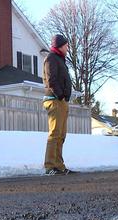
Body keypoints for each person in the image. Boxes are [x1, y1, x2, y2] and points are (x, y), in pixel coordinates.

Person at [42, 34, 76, 175]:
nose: (68, 48)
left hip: (61, 101)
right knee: (55, 134)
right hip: (54, 100)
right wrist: (60, 94)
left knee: (61, 135)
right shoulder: (51, 59)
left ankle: (59, 166)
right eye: (66, 45)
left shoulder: (60, 60)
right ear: (60, 46)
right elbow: (51, 80)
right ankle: (50, 166)